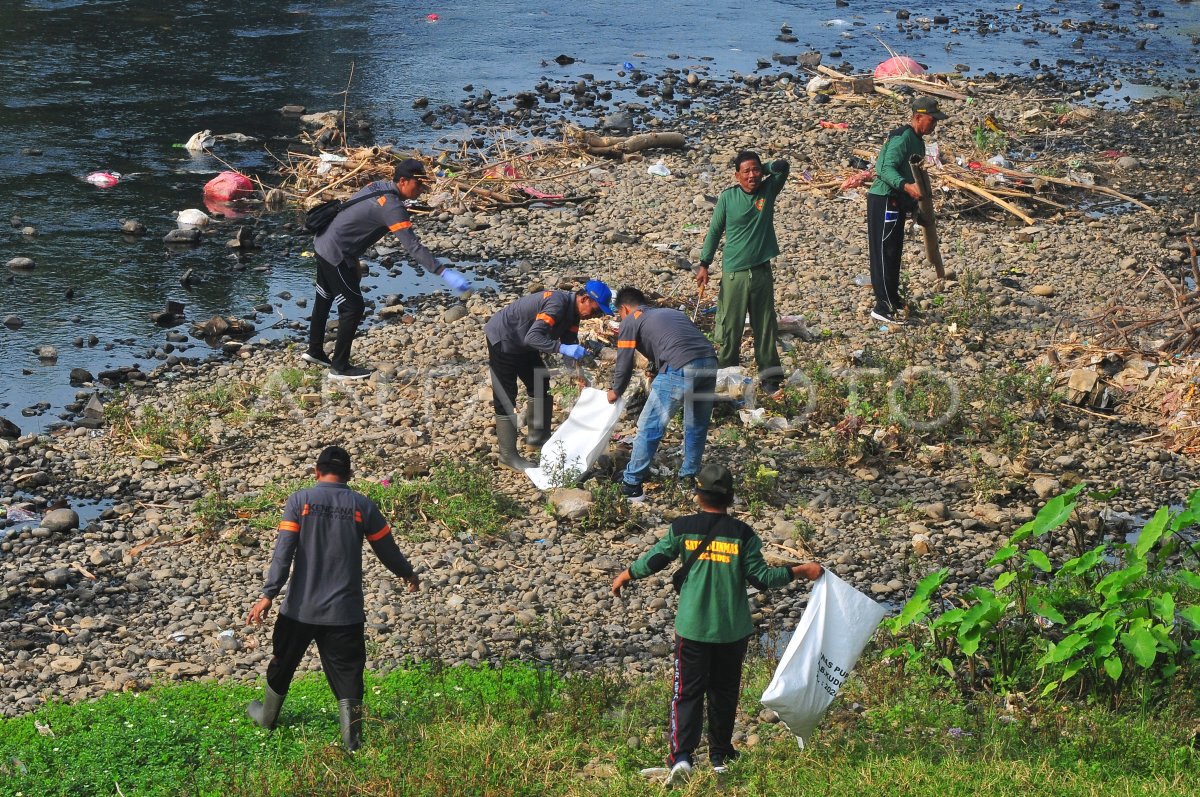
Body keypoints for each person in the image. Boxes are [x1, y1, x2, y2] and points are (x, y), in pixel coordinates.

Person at [611, 463, 822, 786]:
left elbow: (657, 558)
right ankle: (720, 755)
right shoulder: (743, 535)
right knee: (724, 692)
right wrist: (800, 571)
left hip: (693, 629)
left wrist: (628, 573)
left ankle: (681, 758)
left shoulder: (683, 529)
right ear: (731, 498)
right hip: (731, 630)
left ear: (697, 494)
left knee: (687, 693)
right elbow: (761, 579)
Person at [245, 445, 420, 752]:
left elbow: (283, 552)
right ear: (349, 475)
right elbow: (387, 549)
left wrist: (268, 594)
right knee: (349, 673)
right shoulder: (362, 505)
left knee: (282, 664)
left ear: (317, 472)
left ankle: (267, 718)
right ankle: (353, 743)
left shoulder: (300, 501)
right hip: (345, 613)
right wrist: (407, 573)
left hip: (300, 609)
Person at [307, 157, 472, 380]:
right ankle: (340, 367)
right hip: (336, 253)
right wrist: (443, 272)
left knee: (324, 297)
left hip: (323, 241)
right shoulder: (393, 207)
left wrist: (354, 260)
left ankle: (315, 351)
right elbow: (412, 246)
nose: (422, 189)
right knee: (353, 309)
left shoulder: (378, 186)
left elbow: (352, 221)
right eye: (418, 184)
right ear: (403, 181)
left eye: (424, 185)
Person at [484, 280, 614, 471]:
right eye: (595, 310)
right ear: (585, 299)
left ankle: (537, 438)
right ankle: (508, 456)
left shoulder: (574, 314)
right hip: (504, 338)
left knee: (540, 380)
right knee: (506, 395)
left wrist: (576, 372)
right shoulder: (557, 305)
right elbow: (534, 337)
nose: (595, 315)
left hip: (523, 342)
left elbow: (569, 342)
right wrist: (561, 348)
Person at [605, 286, 718, 502]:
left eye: (620, 314)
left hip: (681, 365)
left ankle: (631, 484)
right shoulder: (671, 313)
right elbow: (675, 341)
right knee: (696, 424)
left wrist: (616, 390)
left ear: (624, 309)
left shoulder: (631, 319)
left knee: (649, 426)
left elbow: (624, 359)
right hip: (709, 361)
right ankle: (688, 476)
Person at [696, 151, 790, 393]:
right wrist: (704, 264)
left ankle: (771, 378)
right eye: (746, 171)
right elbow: (714, 232)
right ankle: (727, 375)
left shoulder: (768, 191)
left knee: (765, 326)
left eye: (756, 170)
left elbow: (783, 166)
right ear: (736, 175)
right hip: (734, 275)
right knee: (731, 327)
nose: (752, 175)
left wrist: (765, 166)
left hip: (760, 272)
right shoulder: (728, 198)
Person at [865, 96, 948, 325]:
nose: (934, 125)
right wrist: (906, 186)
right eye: (932, 120)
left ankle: (893, 298)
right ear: (918, 117)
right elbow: (883, 168)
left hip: (898, 201)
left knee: (894, 251)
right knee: (883, 252)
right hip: (884, 199)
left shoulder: (918, 142)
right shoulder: (901, 137)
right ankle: (882, 306)